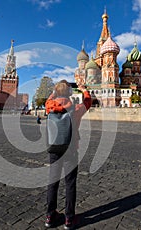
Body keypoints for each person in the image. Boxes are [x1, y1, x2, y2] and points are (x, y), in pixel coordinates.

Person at [45, 80, 91, 229]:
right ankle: (69, 219)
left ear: (56, 93)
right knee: (70, 183)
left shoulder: (49, 107)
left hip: (54, 148)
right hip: (70, 150)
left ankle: (50, 216)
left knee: (53, 182)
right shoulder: (75, 108)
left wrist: (55, 92)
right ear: (70, 93)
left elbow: (48, 100)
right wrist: (83, 89)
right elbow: (88, 102)